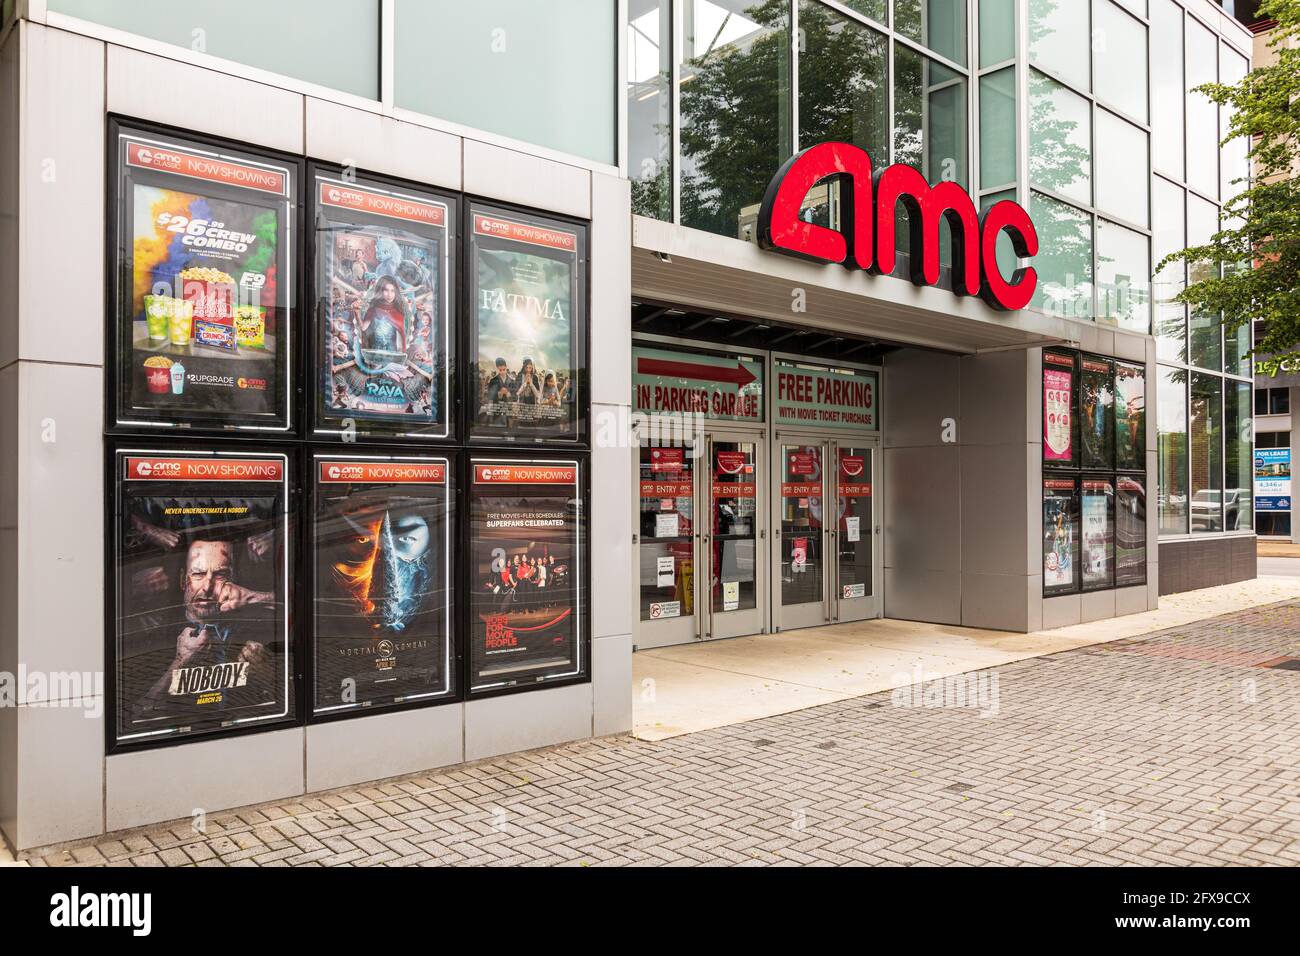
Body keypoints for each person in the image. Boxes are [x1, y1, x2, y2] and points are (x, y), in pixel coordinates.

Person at [140, 540, 274, 711]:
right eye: (198, 574)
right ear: (183, 580)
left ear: (233, 580)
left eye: (220, 575)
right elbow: (137, 714)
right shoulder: (155, 640)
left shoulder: (258, 631)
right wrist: (180, 662)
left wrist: (266, 674)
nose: (207, 587)